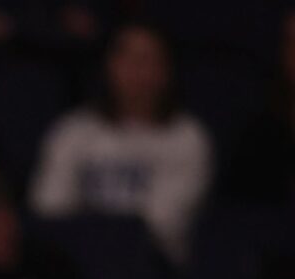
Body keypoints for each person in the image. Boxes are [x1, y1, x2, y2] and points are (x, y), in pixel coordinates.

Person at [30, 22, 211, 263]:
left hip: (151, 266)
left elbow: (160, 225)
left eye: (147, 59)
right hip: (73, 262)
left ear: (167, 70)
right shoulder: (73, 130)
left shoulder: (187, 137)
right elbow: (48, 209)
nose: (136, 69)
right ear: (109, 65)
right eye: (126, 57)